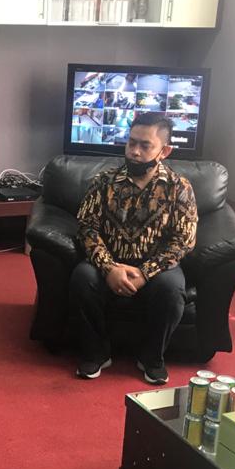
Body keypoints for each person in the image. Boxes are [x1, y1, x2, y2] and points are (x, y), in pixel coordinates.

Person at [71, 111, 198, 384]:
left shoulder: (179, 188)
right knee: (82, 277)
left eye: (145, 145)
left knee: (172, 290)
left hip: (157, 268)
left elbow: (183, 240)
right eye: (131, 143)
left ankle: (152, 357)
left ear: (164, 151)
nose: (135, 152)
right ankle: (96, 352)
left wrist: (145, 273)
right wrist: (109, 268)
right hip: (110, 260)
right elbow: (87, 228)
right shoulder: (103, 182)